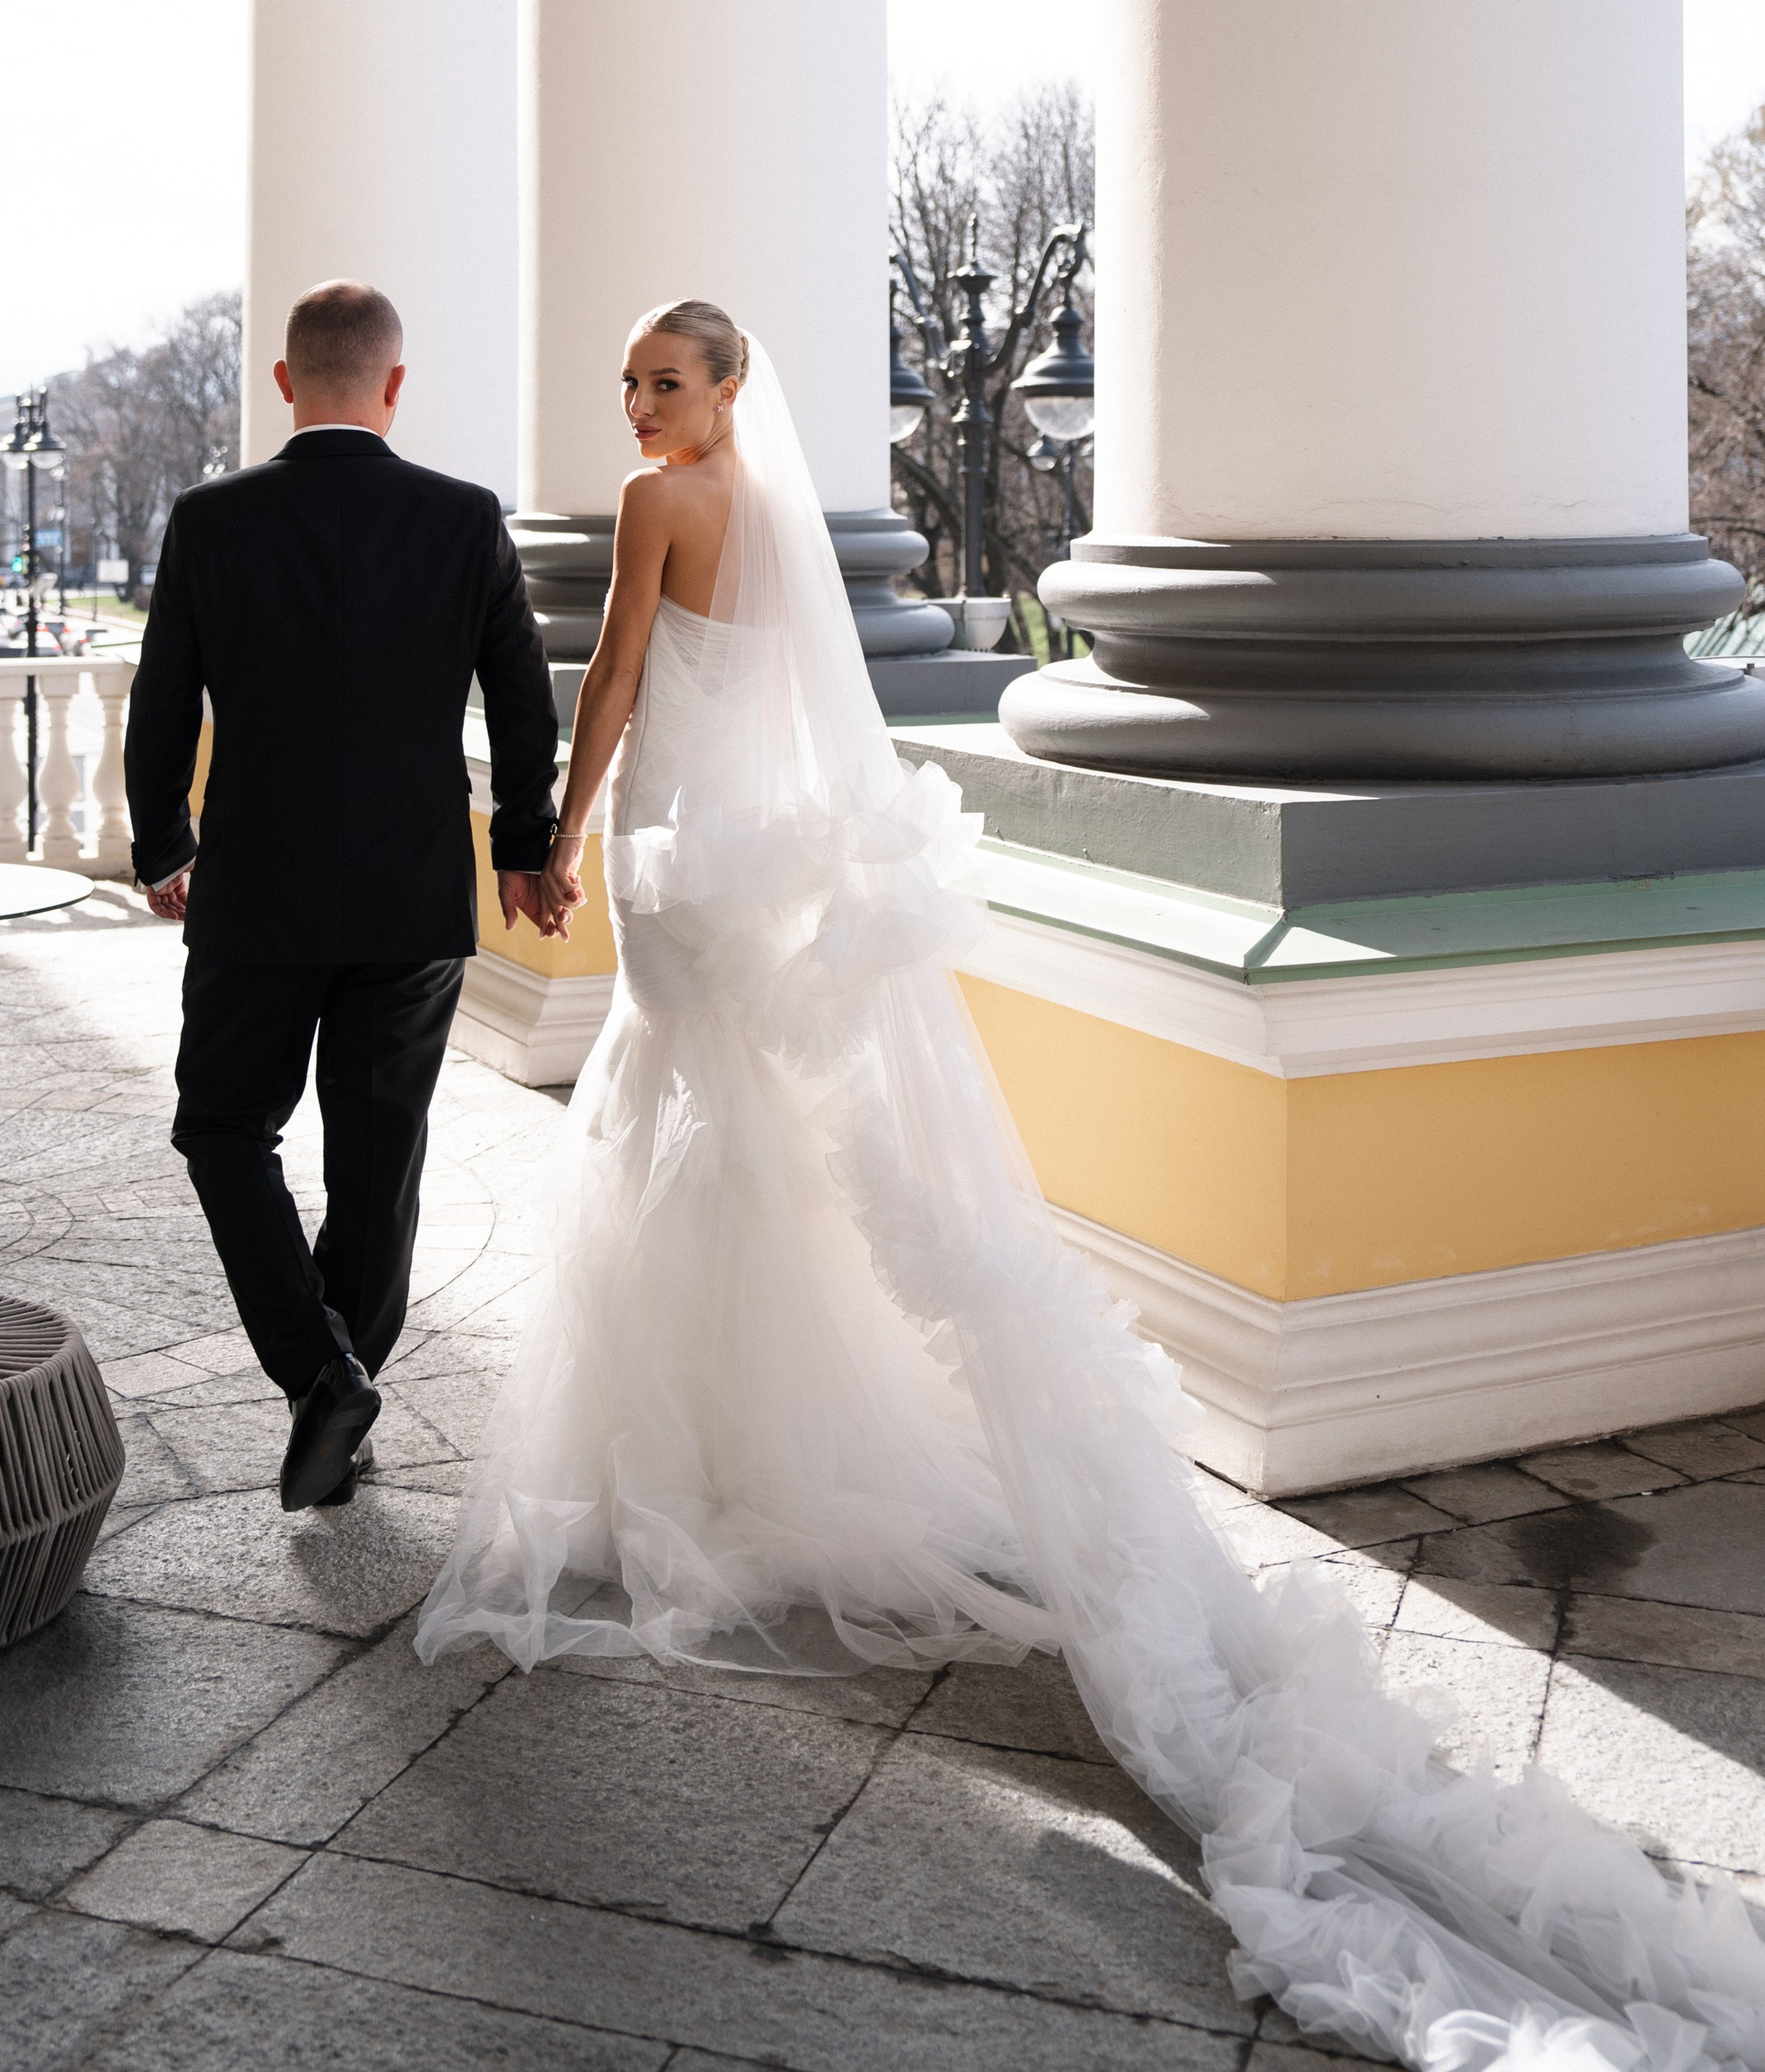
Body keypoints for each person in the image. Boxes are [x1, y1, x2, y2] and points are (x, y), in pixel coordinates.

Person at [417, 297, 1765, 2072]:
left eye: (666, 381)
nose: (639, 404)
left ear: (728, 389)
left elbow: (611, 677)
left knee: (679, 1115)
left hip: (685, 857)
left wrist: (557, 829)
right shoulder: (773, 515)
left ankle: (680, 1453)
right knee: (728, 1127)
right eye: (633, 384)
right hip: (762, 853)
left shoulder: (657, 500)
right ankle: (734, 1436)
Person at [127, 280, 559, 1512]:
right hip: (414, 893)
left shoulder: (212, 520)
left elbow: (165, 701)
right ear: (394, 384)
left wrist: (165, 845)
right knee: (379, 1160)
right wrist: (522, 842)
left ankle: (324, 1377)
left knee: (222, 1125)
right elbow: (525, 701)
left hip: (258, 889)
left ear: (283, 383)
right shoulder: (463, 517)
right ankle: (343, 1386)